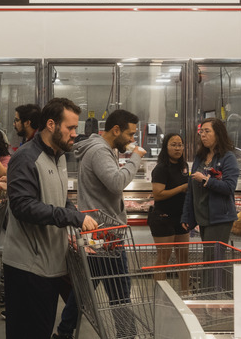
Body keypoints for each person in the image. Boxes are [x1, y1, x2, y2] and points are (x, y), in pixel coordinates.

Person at [3, 98, 98, 339]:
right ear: (51, 125)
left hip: (50, 266)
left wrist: (73, 216)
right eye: (71, 128)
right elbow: (22, 206)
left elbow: (57, 200)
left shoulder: (60, 157)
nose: (75, 134)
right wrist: (70, 217)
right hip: (28, 269)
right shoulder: (26, 158)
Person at [54, 109, 145, 339]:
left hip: (98, 233)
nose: (132, 140)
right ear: (116, 130)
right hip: (106, 237)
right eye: (130, 134)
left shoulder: (101, 149)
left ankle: (64, 333)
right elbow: (116, 182)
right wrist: (136, 158)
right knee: (120, 292)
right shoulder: (100, 151)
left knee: (85, 291)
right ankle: (127, 335)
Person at [181, 118, 239, 243]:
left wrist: (206, 180)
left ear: (218, 134)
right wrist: (187, 216)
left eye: (207, 131)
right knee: (208, 258)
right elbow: (191, 189)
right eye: (201, 131)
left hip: (219, 219)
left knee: (214, 259)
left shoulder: (228, 157)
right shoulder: (200, 157)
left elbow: (229, 187)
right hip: (202, 217)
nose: (203, 135)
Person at [149, 133, 190, 287]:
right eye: (173, 144)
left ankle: (186, 293)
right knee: (163, 258)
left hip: (181, 218)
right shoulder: (161, 168)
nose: (177, 148)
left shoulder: (183, 167)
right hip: (163, 218)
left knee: (183, 258)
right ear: (166, 147)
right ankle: (159, 296)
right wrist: (181, 188)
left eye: (180, 144)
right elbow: (158, 195)